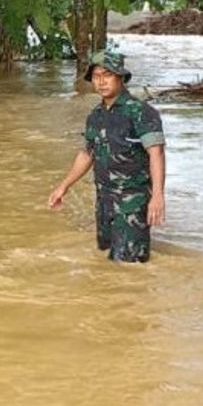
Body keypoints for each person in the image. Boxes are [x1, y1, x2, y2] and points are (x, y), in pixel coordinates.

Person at [49, 51, 167, 263]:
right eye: (96, 76)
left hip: (132, 201)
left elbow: (156, 153)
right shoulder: (96, 115)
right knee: (106, 259)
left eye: (107, 75)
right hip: (104, 200)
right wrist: (63, 186)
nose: (101, 81)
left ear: (121, 77)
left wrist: (158, 196)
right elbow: (88, 154)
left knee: (129, 266)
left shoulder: (141, 112)